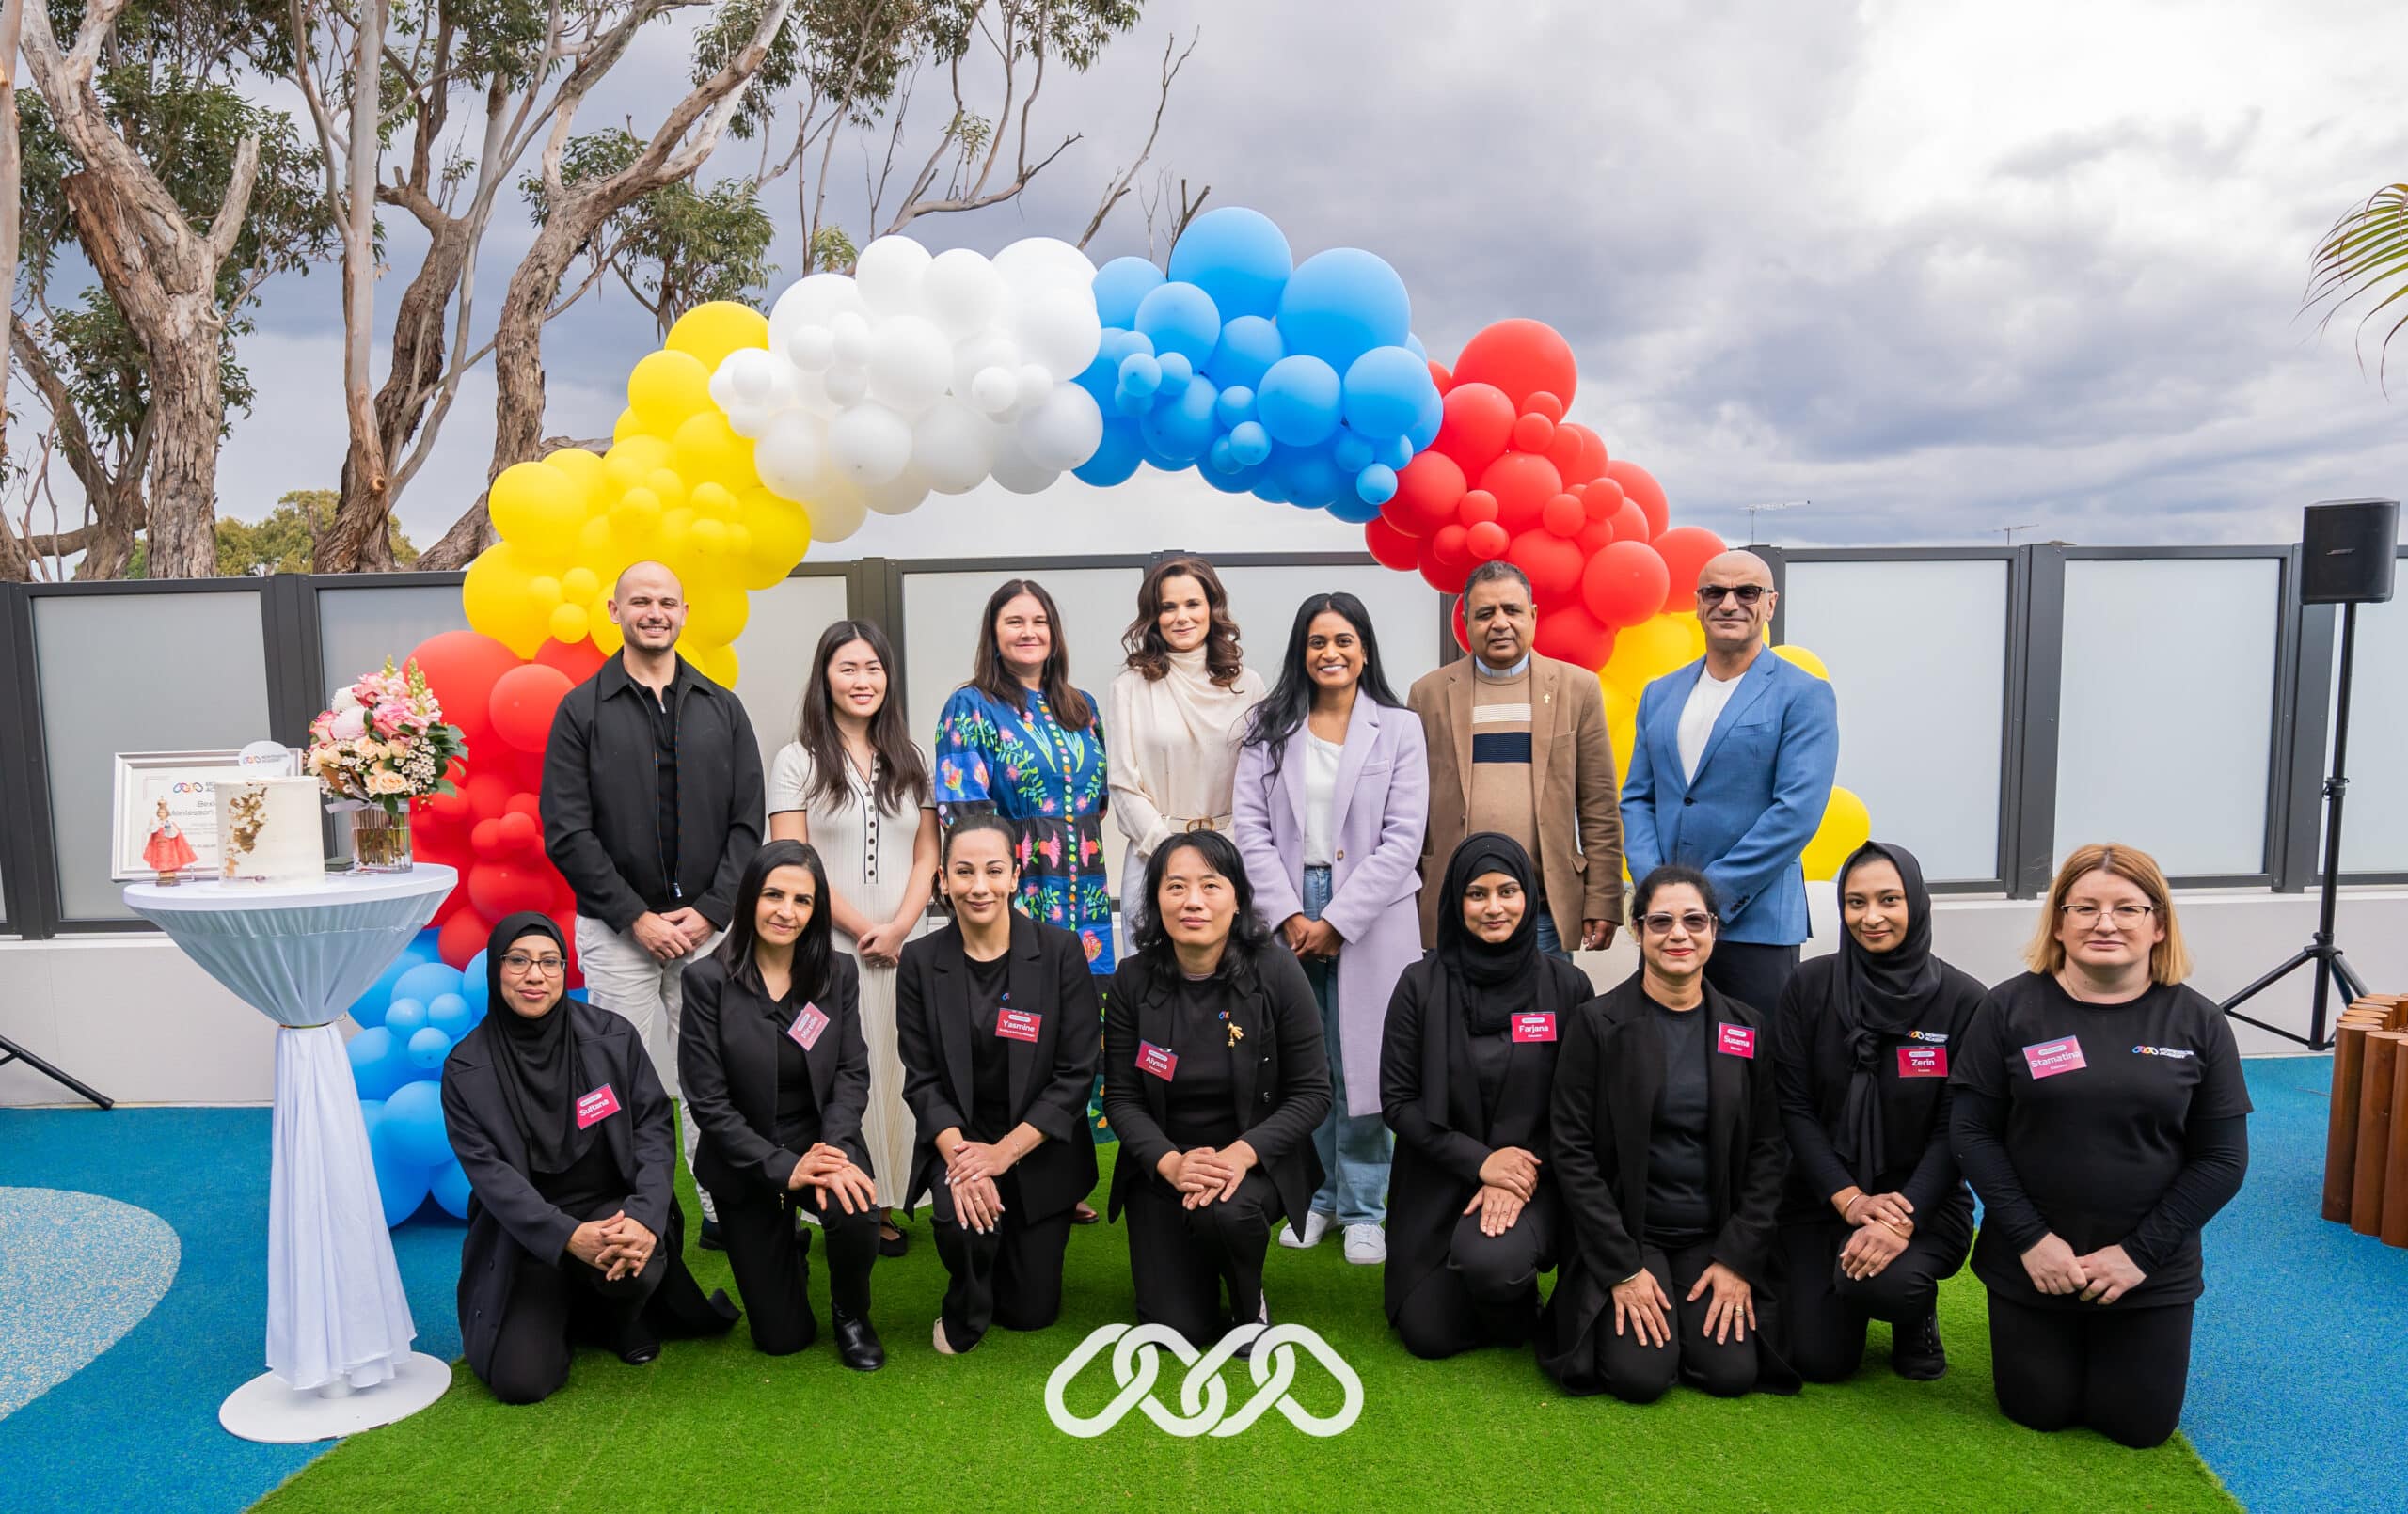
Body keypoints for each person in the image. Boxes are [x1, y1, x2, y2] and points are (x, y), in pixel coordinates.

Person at [1951, 844, 2250, 1450]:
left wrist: (2137, 1255)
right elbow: (1972, 1131)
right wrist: (2033, 1241)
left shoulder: (2199, 1022)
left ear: (2158, 924)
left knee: (2137, 1427)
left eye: (2127, 909)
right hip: (2031, 1263)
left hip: (2149, 1270)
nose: (2104, 923)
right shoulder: (2008, 1008)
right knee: (2038, 1411)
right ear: (2058, 922)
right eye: (2083, 907)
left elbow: (2223, 1159)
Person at [543, 560, 765, 1238]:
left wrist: (711, 913)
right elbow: (566, 830)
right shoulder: (580, 711)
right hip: (618, 935)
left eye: (667, 601)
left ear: (685, 612)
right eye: (641, 601)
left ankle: (722, 1208)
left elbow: (748, 823)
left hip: (709, 933)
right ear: (614, 610)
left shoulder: (722, 709)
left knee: (716, 1077)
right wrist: (635, 918)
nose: (655, 612)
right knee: (625, 1083)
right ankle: (641, 1213)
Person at [441, 914, 737, 1405]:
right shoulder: (466, 1068)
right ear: (496, 970)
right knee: (521, 1382)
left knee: (631, 1261)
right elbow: (492, 1179)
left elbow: (653, 1130)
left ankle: (620, 1314)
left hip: (614, 1211)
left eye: (549, 962)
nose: (535, 975)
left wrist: (644, 1217)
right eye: (518, 961)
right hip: (528, 1237)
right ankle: (567, 1305)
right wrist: (566, 1237)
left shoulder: (612, 1036)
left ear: (564, 970)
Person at [1539, 865, 1797, 1402]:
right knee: (1640, 1379)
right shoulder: (1597, 1025)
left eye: (1694, 921)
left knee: (1730, 1376)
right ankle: (1647, 1312)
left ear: (1714, 931)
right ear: (1638, 932)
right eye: (1661, 922)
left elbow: (1770, 1150)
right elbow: (1572, 1152)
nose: (1678, 934)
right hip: (1631, 1237)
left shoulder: (1745, 1028)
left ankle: (1687, 1314)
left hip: (1713, 1238)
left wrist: (1737, 1258)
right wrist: (1622, 1269)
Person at [1233, 591, 1427, 1264]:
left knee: (1368, 1062)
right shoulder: (1267, 727)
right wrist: (1288, 912)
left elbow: (1404, 838)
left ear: (1364, 649)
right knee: (1303, 1060)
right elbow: (1250, 831)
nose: (1331, 653)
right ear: (1301, 651)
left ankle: (1367, 1205)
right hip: (1286, 904)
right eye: (1318, 641)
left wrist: (1339, 918)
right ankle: (1314, 1197)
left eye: (1344, 640)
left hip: (1372, 909)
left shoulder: (1399, 728)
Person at [1101, 831, 1332, 1348]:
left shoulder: (1276, 972)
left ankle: (1249, 1299)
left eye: (1211, 885)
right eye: (1176, 886)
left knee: (1225, 1213)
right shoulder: (1131, 982)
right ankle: (1200, 1269)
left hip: (1252, 1163)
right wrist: (1170, 1163)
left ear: (1237, 898)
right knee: (1176, 1330)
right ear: (1155, 898)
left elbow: (1314, 1092)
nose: (1193, 901)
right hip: (1163, 1167)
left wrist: (1240, 1155)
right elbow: (1121, 1097)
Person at [1771, 841, 1987, 1383]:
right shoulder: (1809, 986)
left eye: (1889, 900)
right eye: (1855, 902)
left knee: (1888, 1285)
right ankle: (1843, 1284)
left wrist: (1902, 1214)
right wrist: (1848, 1200)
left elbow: (1956, 1128)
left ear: (1916, 902)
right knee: (1818, 1361)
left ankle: (1913, 1314)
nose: (1872, 917)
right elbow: (1793, 1108)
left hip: (1922, 1203)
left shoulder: (1964, 1001)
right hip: (1824, 1196)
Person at [895, 814, 1101, 1355]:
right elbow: (922, 1080)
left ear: (1015, 876)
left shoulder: (1060, 953)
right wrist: (966, 1159)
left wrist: (1004, 1154)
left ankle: (1007, 1247)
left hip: (1036, 1147)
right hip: (960, 1143)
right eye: (963, 872)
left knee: (1030, 1313)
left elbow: (1076, 1074)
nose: (978, 886)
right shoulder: (919, 962)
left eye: (993, 870)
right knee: (962, 1224)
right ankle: (964, 1287)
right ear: (943, 879)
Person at [677, 841, 887, 1370]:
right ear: (750, 897)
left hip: (820, 1138)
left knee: (855, 1207)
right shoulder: (705, 981)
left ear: (816, 910)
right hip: (744, 1155)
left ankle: (851, 1313)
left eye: (802, 900)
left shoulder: (837, 972)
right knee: (782, 1337)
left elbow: (850, 1070)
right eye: (774, 895)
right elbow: (709, 1102)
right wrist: (785, 1169)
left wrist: (835, 1152)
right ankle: (785, 1248)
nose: (786, 912)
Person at [1379, 833, 1591, 1358]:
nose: (1494, 907)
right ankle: (1482, 1287)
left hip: (1534, 1175)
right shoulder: (1419, 985)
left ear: (1530, 897)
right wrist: (1482, 1162)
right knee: (1428, 1335)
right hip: (1439, 1176)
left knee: (1495, 1265)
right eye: (1477, 894)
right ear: (1455, 901)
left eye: (1508, 891)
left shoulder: (1568, 989)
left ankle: (1513, 1298)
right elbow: (1398, 1101)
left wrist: (1515, 1173)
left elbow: (1580, 1107)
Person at [769, 619, 937, 1257]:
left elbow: (927, 857)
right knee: (837, 1070)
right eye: (848, 668)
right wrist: (867, 929)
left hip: (904, 937)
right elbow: (794, 857)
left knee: (900, 1063)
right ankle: (843, 1192)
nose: (862, 680)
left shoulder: (910, 756)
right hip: (828, 944)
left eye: (873, 668)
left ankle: (896, 1193)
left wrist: (898, 928)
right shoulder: (798, 759)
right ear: (826, 678)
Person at [1620, 549, 1837, 1015]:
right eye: (1715, 592)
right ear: (1698, 604)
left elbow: (1796, 812)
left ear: (1770, 604)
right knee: (1665, 1061)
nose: (1729, 603)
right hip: (1668, 927)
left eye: (1747, 592)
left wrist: (1706, 896)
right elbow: (1638, 798)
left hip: (1754, 926)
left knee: (1753, 1065)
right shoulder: (1660, 693)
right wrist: (1655, 890)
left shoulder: (1804, 695)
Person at [1408, 560, 1623, 956]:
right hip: (1454, 909)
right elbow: (1410, 807)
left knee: (1543, 1019)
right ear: (1467, 621)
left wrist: (1604, 897)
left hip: (1543, 912)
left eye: (1512, 610)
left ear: (1534, 616)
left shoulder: (1577, 689)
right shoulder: (1430, 694)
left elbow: (1599, 807)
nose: (1500, 623)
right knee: (1453, 1019)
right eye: (1485, 613)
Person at [932, 578, 1114, 974]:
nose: (1028, 631)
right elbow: (962, 816)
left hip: (1086, 890)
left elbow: (1097, 804)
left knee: (1084, 1015)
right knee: (1022, 1011)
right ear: (994, 635)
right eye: (1015, 621)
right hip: (1015, 888)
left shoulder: (1084, 707)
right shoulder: (971, 705)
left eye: (1040, 621)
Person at [1107, 555, 1267, 922]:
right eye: (1168, 607)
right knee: (1152, 976)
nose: (1182, 617)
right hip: (1154, 860)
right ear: (1153, 616)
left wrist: (1221, 854)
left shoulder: (1249, 685)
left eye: (1193, 604)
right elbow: (1122, 784)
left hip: (1229, 860)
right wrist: (1172, 856)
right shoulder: (1129, 687)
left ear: (1212, 608)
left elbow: (1259, 782)